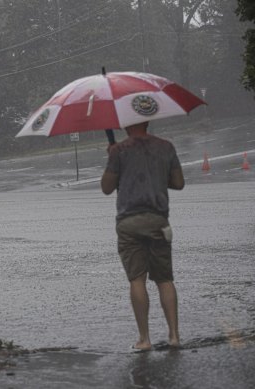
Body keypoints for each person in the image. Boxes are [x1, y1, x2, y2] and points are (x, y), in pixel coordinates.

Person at [101, 121, 185, 351]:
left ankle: (144, 339)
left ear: (126, 125)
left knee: (137, 279)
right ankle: (175, 335)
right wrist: (155, 176)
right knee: (165, 279)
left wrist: (114, 160)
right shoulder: (166, 147)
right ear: (148, 121)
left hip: (129, 223)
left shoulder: (119, 150)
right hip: (158, 221)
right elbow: (178, 183)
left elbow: (107, 187)